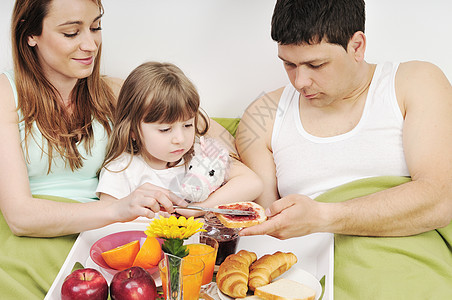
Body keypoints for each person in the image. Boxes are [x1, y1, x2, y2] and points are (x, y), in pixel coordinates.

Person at [236, 0, 452, 298]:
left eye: (316, 64)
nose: (300, 81)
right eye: (288, 64)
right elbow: (263, 227)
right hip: (306, 276)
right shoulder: (263, 114)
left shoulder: (414, 81)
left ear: (357, 46)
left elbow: (439, 200)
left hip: (403, 268)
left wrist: (323, 217)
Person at [96, 61, 263, 217]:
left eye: (188, 125)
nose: (180, 139)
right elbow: (107, 217)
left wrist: (196, 210)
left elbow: (252, 183)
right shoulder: (121, 169)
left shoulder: (201, 153)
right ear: (132, 130)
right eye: (165, 129)